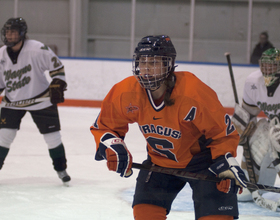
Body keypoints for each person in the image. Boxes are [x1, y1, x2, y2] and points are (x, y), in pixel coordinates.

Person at [90, 35, 247, 220]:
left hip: (204, 165)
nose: (146, 68)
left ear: (168, 65)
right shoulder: (126, 92)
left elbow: (222, 133)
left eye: (154, 62)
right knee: (145, 214)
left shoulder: (193, 92)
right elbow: (105, 126)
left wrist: (225, 161)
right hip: (159, 163)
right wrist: (113, 145)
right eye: (142, 62)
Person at [0, 17, 70, 184]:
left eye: (13, 32)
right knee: (4, 136)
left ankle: (61, 169)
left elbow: (57, 68)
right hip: (12, 102)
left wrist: (58, 83)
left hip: (42, 99)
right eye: (7, 32)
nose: (9, 36)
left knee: (52, 136)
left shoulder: (38, 49)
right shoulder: (1, 53)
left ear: (22, 33)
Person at [233, 48, 280, 204]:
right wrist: (240, 127)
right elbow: (249, 111)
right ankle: (248, 184)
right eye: (264, 65)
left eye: (272, 65)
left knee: (277, 139)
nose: (267, 69)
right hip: (276, 124)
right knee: (255, 134)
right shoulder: (253, 81)